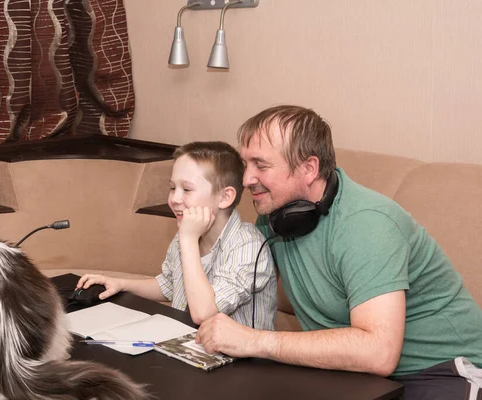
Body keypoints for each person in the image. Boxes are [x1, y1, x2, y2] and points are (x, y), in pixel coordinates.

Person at [195, 105, 482, 399]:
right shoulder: (275, 216)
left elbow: (378, 353)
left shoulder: (367, 223)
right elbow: (234, 284)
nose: (246, 179)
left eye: (261, 165)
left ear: (309, 168)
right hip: (355, 374)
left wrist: (257, 342)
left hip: (442, 370)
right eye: (246, 164)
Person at [77, 141, 278, 329]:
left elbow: (203, 313)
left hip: (240, 362)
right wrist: (121, 284)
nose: (174, 198)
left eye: (187, 189)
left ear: (225, 197)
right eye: (173, 188)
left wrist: (188, 240)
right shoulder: (188, 231)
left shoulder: (247, 245)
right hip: (186, 344)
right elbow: (168, 285)